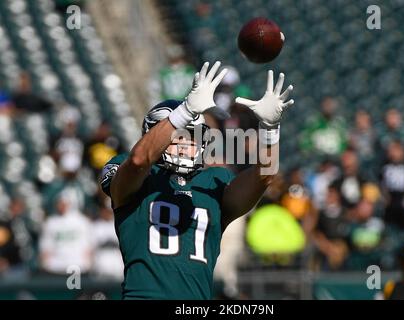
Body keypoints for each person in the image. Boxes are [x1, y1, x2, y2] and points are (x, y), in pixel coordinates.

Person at [100, 61, 294, 299]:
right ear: (153, 135)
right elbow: (140, 160)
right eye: (177, 135)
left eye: (191, 137)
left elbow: (265, 176)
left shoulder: (213, 181)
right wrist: (184, 112)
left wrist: (269, 130)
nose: (184, 143)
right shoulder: (132, 171)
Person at [39, 194, 93, 275]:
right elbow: (45, 245)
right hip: (55, 266)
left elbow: (88, 244)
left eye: (64, 203)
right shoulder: (51, 222)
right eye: (60, 203)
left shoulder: (82, 221)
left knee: (75, 287)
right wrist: (46, 264)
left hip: (77, 266)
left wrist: (87, 263)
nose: (62, 206)